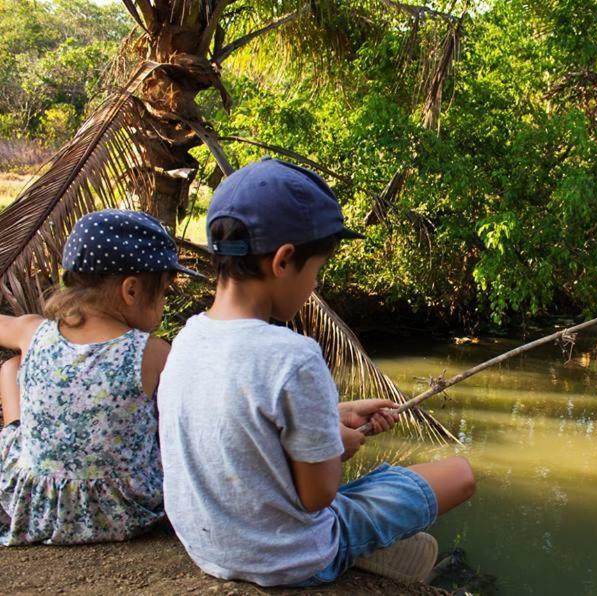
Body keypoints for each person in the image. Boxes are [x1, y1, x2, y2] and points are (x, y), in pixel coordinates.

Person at [158, 157, 475, 587]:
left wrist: (330, 416)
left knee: (368, 493)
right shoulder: (294, 356)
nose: (315, 286)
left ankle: (374, 548)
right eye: (317, 271)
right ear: (285, 260)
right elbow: (318, 495)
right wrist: (335, 444)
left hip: (210, 546)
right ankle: (353, 550)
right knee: (459, 474)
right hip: (288, 558)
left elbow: (242, 429)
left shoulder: (186, 340)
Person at [0, 209, 200, 545]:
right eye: (164, 292)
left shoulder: (33, 332)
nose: (164, 303)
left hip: (39, 508)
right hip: (124, 510)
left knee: (11, 368)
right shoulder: (153, 353)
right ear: (131, 291)